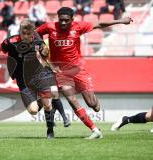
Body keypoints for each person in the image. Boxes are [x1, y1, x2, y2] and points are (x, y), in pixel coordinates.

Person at [36, 7, 133, 139]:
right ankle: (94, 129)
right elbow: (36, 33)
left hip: (78, 69)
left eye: (66, 20)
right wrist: (41, 44)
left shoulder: (79, 26)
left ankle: (94, 103)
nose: (63, 23)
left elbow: (100, 24)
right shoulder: (50, 26)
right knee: (71, 100)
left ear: (72, 19)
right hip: (61, 71)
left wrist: (121, 21)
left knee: (93, 105)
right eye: (61, 20)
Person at [0, 19, 60, 139]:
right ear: (20, 32)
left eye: (29, 34)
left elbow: (45, 55)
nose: (26, 36)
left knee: (47, 105)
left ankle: (50, 131)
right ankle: (47, 101)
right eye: (24, 33)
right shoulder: (11, 41)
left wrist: (49, 61)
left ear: (33, 32)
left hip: (39, 75)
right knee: (33, 110)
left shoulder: (38, 41)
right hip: (23, 80)